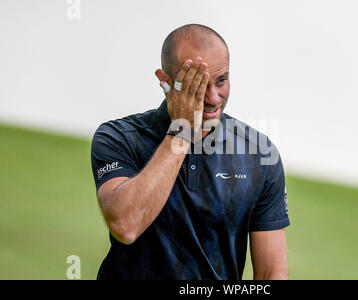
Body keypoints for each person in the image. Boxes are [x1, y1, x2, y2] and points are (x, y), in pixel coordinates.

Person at [90, 24, 290, 280]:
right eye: (198, 86)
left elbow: (272, 273)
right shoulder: (119, 137)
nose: (214, 98)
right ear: (165, 81)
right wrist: (182, 131)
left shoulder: (259, 153)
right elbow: (126, 225)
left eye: (222, 81)